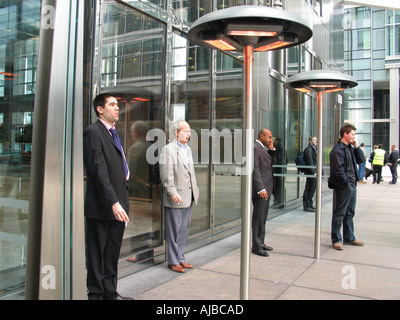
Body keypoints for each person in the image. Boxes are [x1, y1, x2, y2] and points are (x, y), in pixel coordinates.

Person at [83, 93, 132, 300]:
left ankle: (110, 294)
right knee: (97, 256)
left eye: (117, 105)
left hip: (119, 205)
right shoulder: (93, 132)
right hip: (102, 206)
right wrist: (113, 202)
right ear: (100, 109)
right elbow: (98, 170)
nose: (117, 108)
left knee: (111, 254)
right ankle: (96, 295)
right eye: (112, 104)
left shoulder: (114, 133)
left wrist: (121, 202)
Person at [159, 120, 199, 273]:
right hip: (176, 197)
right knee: (173, 231)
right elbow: (166, 175)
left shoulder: (187, 149)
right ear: (176, 132)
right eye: (186, 131)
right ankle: (173, 261)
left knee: (184, 229)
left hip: (189, 196)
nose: (189, 134)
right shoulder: (168, 150)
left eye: (189, 131)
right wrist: (172, 192)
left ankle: (181, 258)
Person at [328, 124, 365, 251]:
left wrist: (356, 146)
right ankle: (336, 239)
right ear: (345, 134)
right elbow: (338, 170)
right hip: (344, 186)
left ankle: (349, 237)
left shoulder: (351, 148)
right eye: (353, 134)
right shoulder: (337, 150)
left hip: (352, 185)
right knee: (340, 212)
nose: (354, 137)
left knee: (350, 212)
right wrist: (347, 184)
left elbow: (361, 160)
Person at [252, 128, 276, 257]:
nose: (271, 139)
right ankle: (256, 246)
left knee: (263, 218)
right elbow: (254, 170)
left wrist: (272, 150)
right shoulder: (256, 148)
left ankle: (260, 242)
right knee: (258, 218)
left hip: (266, 188)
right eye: (269, 137)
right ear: (262, 136)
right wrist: (260, 188)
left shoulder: (263, 148)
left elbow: (269, 165)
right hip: (261, 190)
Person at [303, 136, 317, 212]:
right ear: (310, 141)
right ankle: (307, 205)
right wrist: (313, 172)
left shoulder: (314, 149)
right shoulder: (309, 150)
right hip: (311, 173)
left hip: (313, 173)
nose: (316, 141)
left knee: (312, 189)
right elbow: (310, 161)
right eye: (314, 140)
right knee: (309, 189)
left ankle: (310, 204)